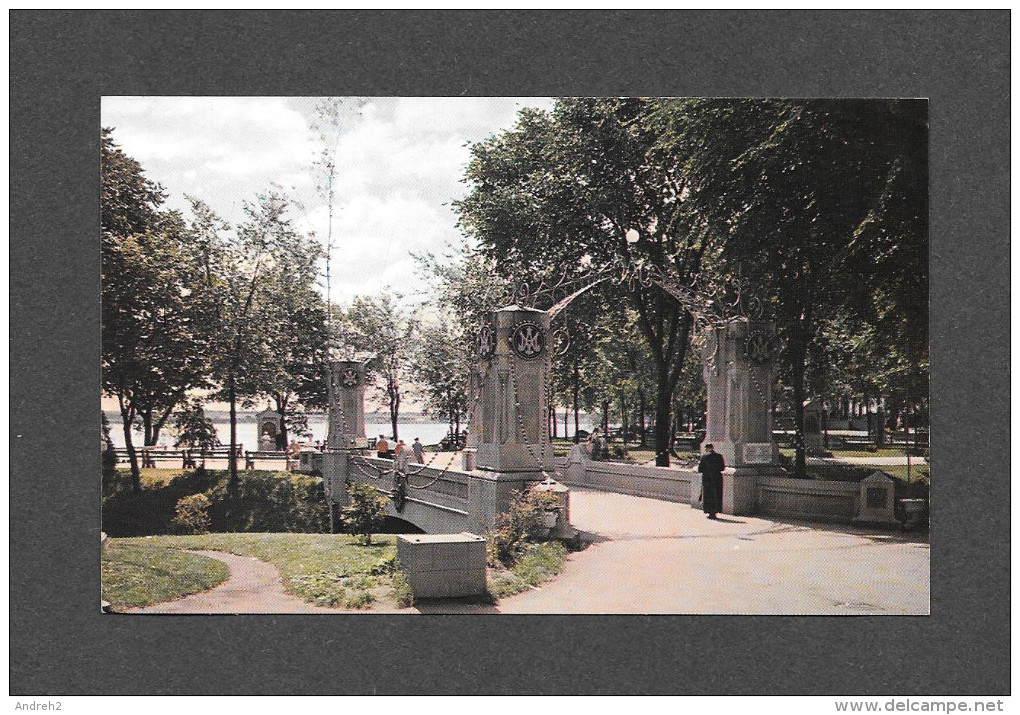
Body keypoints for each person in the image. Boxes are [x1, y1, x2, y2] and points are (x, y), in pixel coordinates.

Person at [697, 443, 725, 520]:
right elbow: (722, 468)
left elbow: (700, 469)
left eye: (706, 448)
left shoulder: (704, 457)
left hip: (707, 478)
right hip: (717, 478)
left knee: (708, 496)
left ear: (708, 448)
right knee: (717, 494)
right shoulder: (719, 456)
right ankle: (716, 511)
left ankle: (710, 512)